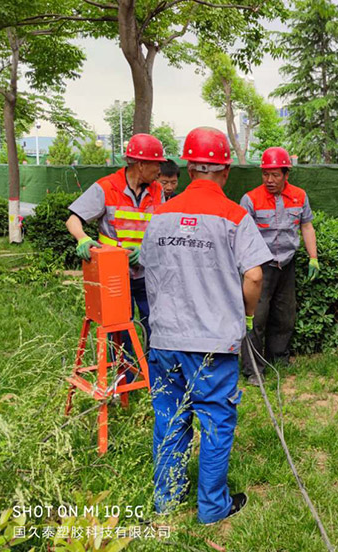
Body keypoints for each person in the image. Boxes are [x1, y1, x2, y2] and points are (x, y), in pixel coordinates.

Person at [140, 127, 273, 524]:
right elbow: (254, 276)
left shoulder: (159, 214)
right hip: (213, 343)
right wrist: (247, 315)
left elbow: (147, 264)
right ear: (225, 170)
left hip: (164, 338)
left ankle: (166, 500)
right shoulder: (234, 215)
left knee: (168, 419)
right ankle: (212, 508)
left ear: (187, 167)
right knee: (216, 422)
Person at [66, 133, 166, 378]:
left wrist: (145, 250)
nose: (160, 169)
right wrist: (83, 239)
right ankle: (125, 380)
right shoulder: (105, 188)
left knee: (157, 322)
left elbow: (161, 227)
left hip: (147, 271)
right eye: (157, 164)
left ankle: (155, 375)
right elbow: (73, 219)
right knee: (120, 328)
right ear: (140, 165)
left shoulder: (158, 191)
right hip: (115, 275)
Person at [239, 147, 319, 384]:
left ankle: (279, 358)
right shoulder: (250, 199)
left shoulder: (299, 196)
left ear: (286, 174)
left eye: (275, 175)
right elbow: (241, 236)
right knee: (256, 317)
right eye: (266, 174)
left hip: (287, 263)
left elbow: (306, 226)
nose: (270, 180)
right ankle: (253, 369)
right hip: (259, 267)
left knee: (285, 315)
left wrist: (313, 257)